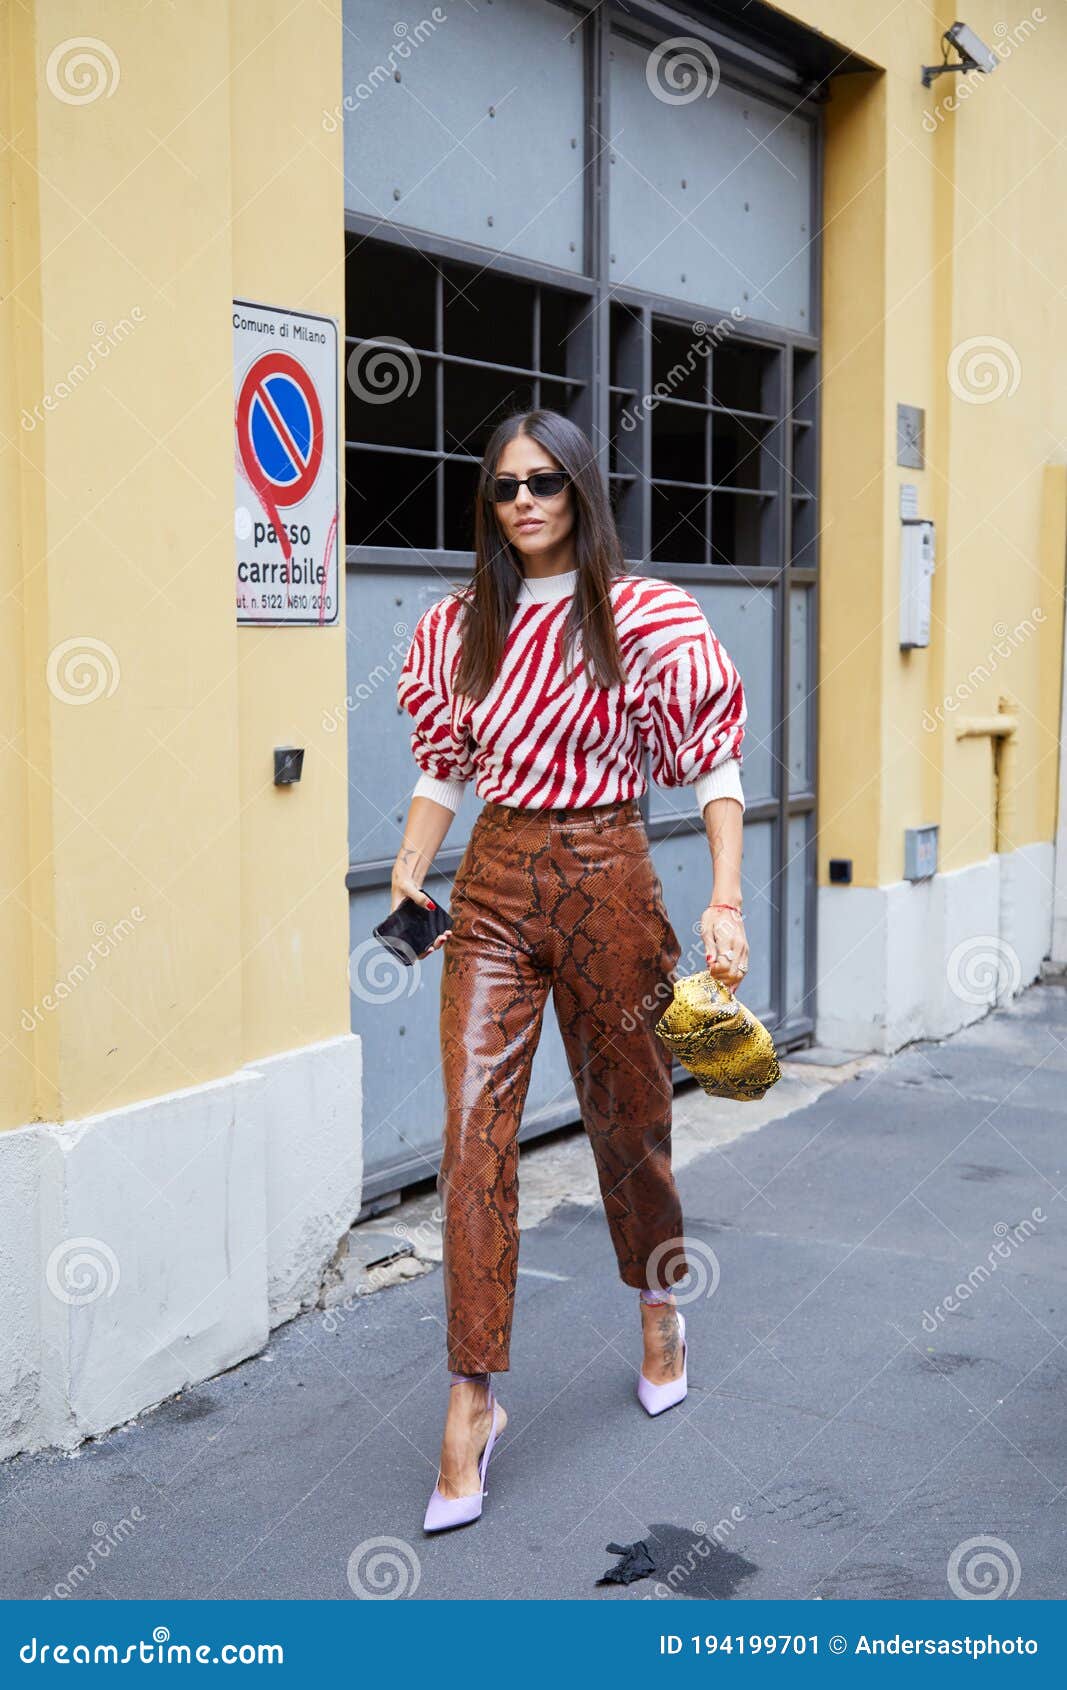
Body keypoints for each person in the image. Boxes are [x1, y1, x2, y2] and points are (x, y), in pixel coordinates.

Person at [393, 408, 748, 1534]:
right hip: (495, 881)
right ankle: (469, 1400)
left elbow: (714, 759)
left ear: (581, 490)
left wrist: (725, 893)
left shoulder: (645, 614)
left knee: (629, 1116)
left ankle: (656, 1305)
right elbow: (444, 768)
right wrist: (407, 868)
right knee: (469, 1131)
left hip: (609, 871)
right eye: (503, 488)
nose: (524, 502)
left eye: (545, 482)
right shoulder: (461, 624)